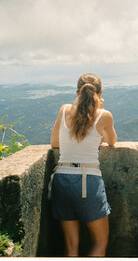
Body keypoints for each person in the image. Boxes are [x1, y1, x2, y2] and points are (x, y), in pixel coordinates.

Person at [50, 73, 117, 257]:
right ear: (100, 94)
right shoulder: (104, 116)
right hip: (88, 181)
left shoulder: (64, 110)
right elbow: (112, 142)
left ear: (77, 92)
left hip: (61, 179)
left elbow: (54, 144)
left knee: (71, 246)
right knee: (100, 242)